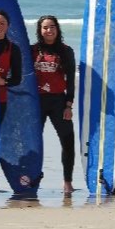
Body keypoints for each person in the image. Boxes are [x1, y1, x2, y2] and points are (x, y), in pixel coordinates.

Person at [32, 15, 76, 194]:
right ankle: (32, 178)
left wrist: (68, 105)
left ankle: (67, 182)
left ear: (57, 29)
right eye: (45, 27)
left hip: (58, 101)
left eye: (52, 27)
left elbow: (71, 79)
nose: (49, 30)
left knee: (68, 141)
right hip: (37, 102)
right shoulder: (32, 50)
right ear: (40, 30)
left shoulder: (66, 51)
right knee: (34, 144)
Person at [0, 10, 22, 123]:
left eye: (2, 24)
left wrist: (1, 81)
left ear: (8, 26)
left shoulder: (13, 49)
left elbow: (17, 79)